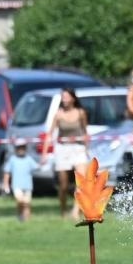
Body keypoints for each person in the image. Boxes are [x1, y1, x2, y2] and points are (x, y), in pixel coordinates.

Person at [52, 88, 91, 218]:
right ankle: (63, 210)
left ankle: (75, 211)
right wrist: (45, 154)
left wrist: (87, 148)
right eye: (63, 97)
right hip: (63, 149)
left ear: (73, 98)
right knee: (63, 185)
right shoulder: (58, 114)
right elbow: (50, 133)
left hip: (78, 148)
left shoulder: (81, 113)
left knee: (81, 181)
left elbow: (85, 132)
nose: (64, 99)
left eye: (66, 97)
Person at [2, 139, 36, 222]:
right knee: (20, 201)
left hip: (28, 186)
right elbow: (7, 172)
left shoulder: (29, 159)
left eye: (23, 147)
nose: (21, 149)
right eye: (19, 148)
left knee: (27, 203)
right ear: (15, 149)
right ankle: (20, 214)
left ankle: (27, 219)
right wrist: (5, 184)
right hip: (16, 185)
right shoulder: (12, 160)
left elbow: (36, 167)